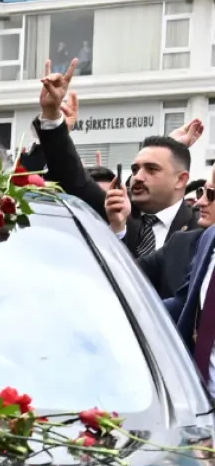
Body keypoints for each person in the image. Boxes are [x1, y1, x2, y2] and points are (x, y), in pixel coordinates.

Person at [35, 60, 201, 299]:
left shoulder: (199, 231)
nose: (138, 177)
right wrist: (51, 115)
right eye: (136, 168)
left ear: (181, 180)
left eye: (152, 169)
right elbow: (71, 175)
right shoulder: (114, 210)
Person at [163, 166, 215, 391]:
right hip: (202, 404)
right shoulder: (209, 239)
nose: (201, 202)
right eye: (203, 191)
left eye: (211, 195)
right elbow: (183, 302)